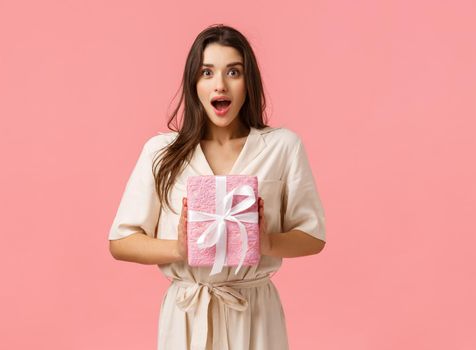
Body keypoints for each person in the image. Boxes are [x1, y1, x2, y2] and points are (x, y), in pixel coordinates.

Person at [108, 24, 326, 350]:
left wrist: (266, 241)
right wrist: (178, 250)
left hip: (255, 313)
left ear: (248, 82)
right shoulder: (161, 152)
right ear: (193, 83)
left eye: (233, 72)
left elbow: (313, 237)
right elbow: (120, 242)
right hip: (187, 313)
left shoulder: (282, 146)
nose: (220, 84)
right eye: (207, 72)